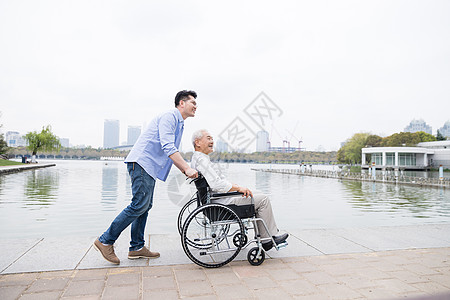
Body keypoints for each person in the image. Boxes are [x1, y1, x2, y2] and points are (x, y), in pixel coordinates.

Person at [94, 90, 199, 264]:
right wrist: (186, 168)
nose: (195, 106)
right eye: (193, 103)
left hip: (148, 166)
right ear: (182, 103)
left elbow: (171, 150)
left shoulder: (179, 123)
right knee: (139, 204)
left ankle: (136, 247)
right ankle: (105, 240)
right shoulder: (170, 117)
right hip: (142, 162)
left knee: (144, 205)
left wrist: (184, 169)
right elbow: (168, 146)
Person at [190, 129, 288, 250]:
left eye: (212, 139)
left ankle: (265, 234)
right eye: (209, 138)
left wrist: (235, 186)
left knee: (257, 193)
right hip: (219, 203)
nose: (212, 141)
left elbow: (217, 182)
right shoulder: (202, 160)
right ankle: (267, 239)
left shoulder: (198, 158)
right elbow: (216, 184)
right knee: (263, 199)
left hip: (215, 199)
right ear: (198, 142)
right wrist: (238, 188)